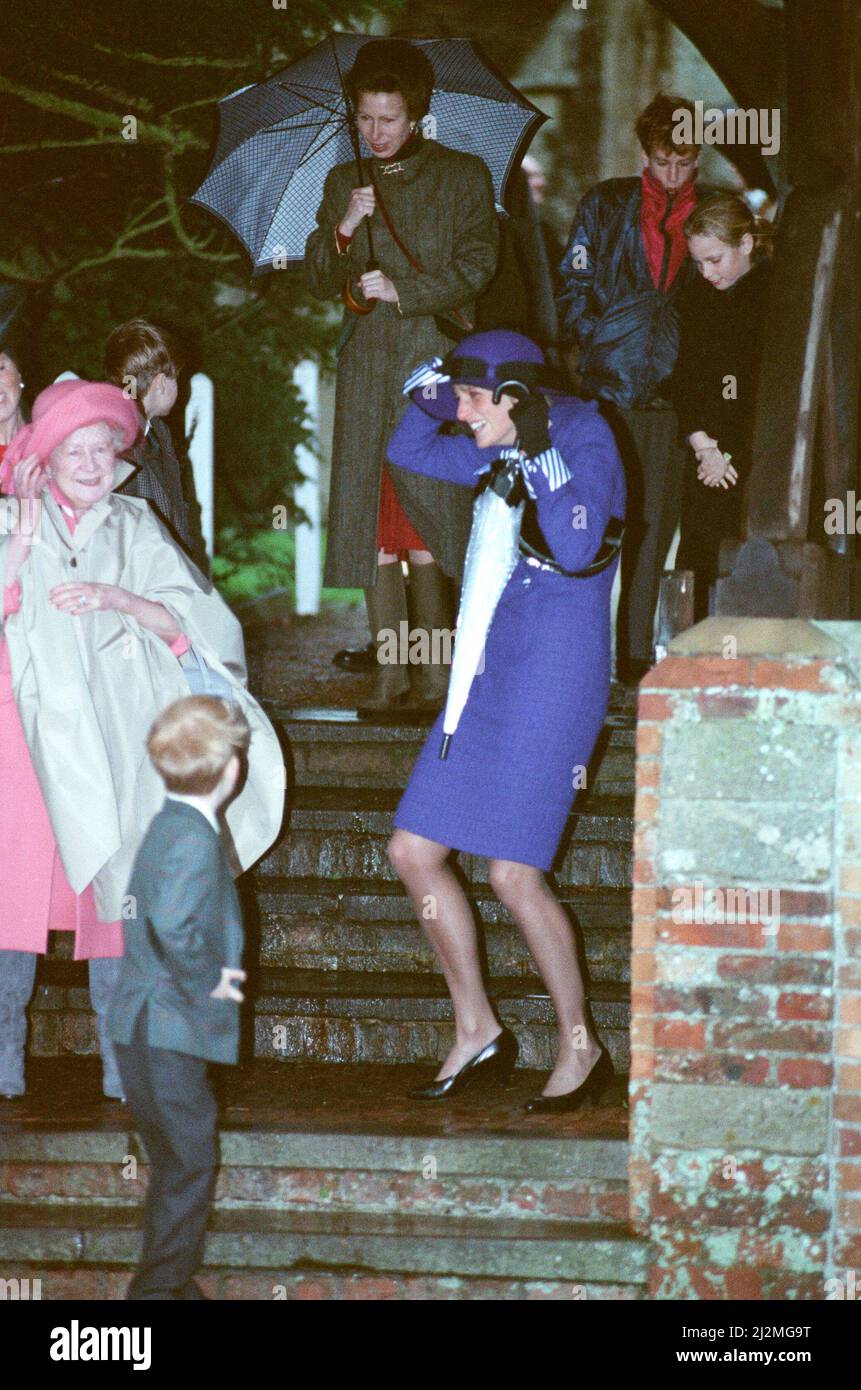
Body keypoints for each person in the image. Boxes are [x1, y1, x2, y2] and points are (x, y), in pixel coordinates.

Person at [0, 379, 283, 1102]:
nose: (93, 464)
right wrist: (25, 536)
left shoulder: (135, 523)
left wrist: (121, 601)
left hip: (120, 738)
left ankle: (128, 1071)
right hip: (22, 744)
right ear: (46, 457)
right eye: (75, 449)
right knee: (11, 895)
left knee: (117, 901)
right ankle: (3, 1065)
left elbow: (201, 626)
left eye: (104, 448)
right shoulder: (10, 522)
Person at [385, 330, 625, 1112]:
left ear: (515, 401)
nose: (460, 412)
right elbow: (409, 447)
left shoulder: (582, 431)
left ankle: (582, 1048)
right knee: (413, 850)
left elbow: (580, 538)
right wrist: (433, 388)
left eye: (471, 400)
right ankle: (477, 1027)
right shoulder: (492, 441)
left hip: (556, 672)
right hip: (488, 668)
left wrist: (536, 444)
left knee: (512, 874)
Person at [305, 38, 499, 714]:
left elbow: (480, 264)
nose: (375, 133)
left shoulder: (463, 175)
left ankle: (437, 680)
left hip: (432, 366)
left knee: (429, 521)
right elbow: (320, 279)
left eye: (388, 119)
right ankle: (389, 678)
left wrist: (406, 289)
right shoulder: (342, 182)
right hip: (365, 368)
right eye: (363, 118)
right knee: (371, 528)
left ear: (416, 115)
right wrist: (344, 227)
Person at [557, 92, 707, 683]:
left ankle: (636, 657)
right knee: (600, 520)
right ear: (645, 152)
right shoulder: (607, 202)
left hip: (677, 395)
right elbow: (573, 284)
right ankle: (584, 653)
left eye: (686, 162)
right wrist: (600, 341)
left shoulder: (713, 211)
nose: (674, 174)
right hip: (609, 392)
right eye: (664, 160)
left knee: (654, 528)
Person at [108, 696, 250, 1301]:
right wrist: (211, 982)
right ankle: (154, 1298)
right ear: (231, 771)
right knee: (190, 1165)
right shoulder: (194, 837)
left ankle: (171, 1289)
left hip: (139, 1026)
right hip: (168, 1028)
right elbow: (171, 924)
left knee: (173, 1164)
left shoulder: (167, 824)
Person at [670, 192, 775, 620]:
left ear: (746, 244)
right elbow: (684, 376)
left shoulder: (775, 294)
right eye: (698, 262)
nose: (707, 272)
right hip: (706, 453)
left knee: (740, 565)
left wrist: (724, 451)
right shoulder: (696, 296)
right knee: (697, 554)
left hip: (752, 455)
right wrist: (701, 444)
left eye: (715, 259)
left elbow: (762, 387)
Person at [104, 318, 206, 568]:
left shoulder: (159, 433)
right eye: (176, 379)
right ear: (161, 383)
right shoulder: (115, 439)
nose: (179, 387)